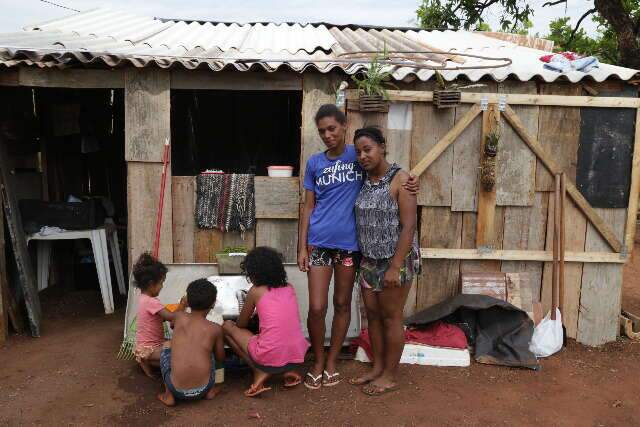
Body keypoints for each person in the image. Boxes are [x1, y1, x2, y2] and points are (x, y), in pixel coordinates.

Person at [298, 104, 418, 389]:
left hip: (357, 251)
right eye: (322, 131)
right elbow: (308, 206)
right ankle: (326, 361)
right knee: (322, 308)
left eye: (332, 128)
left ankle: (339, 363)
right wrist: (302, 246)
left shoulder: (361, 157)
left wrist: (412, 179)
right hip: (335, 249)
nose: (327, 135)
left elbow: (398, 185)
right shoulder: (320, 162)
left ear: (344, 126)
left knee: (354, 307)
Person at [350, 127, 421, 396]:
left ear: (382, 147)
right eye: (358, 151)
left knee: (391, 317)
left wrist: (394, 266)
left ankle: (390, 375)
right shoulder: (363, 178)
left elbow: (409, 225)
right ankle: (377, 368)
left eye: (367, 149)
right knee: (374, 317)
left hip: (396, 260)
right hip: (369, 261)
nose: (362, 155)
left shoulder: (401, 179)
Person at [223, 247, 309, 397]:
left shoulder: (255, 291)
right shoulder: (289, 288)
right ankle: (287, 370)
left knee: (227, 327)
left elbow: (241, 325)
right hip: (296, 352)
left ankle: (259, 370)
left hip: (269, 353)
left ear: (254, 272)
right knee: (275, 338)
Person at [157, 278, 225, 406]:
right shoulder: (216, 328)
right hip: (204, 388)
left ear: (188, 301)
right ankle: (211, 390)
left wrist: (182, 305)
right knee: (209, 352)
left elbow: (170, 321)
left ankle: (168, 395)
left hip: (175, 389)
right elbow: (221, 357)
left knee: (166, 345)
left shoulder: (179, 317)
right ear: (213, 304)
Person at [133, 252, 185, 378]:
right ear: (151, 284)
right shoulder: (152, 302)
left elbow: (157, 319)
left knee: (171, 343)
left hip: (143, 346)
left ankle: (146, 362)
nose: (162, 286)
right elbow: (171, 317)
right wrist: (183, 304)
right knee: (180, 347)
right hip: (152, 349)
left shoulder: (143, 299)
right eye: (161, 283)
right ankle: (149, 362)